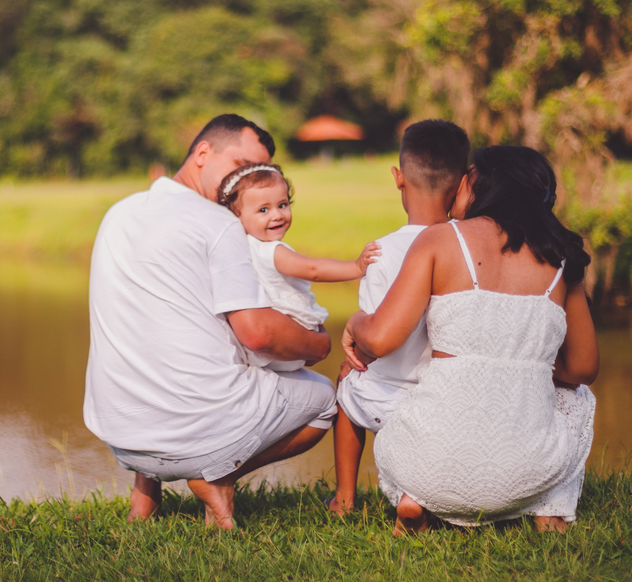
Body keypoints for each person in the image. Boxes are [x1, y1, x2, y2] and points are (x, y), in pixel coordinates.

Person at [83, 114, 336, 529]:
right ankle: (219, 475)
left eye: (256, 173)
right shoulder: (219, 225)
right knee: (326, 401)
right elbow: (258, 334)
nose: (245, 181)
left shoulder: (120, 212)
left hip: (120, 433)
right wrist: (319, 344)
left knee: (164, 342)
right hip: (191, 431)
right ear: (203, 153)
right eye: (240, 165)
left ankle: (145, 491)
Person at [341, 145, 599, 535]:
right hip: (527, 473)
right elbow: (582, 368)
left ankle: (418, 498)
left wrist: (357, 321)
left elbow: (379, 339)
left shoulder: (440, 239)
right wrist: (529, 361)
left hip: (428, 466)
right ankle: (547, 506)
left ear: (477, 181)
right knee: (576, 398)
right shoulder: (561, 255)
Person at [327, 119, 471, 515]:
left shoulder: (383, 252)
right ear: (462, 184)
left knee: (346, 385)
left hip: (389, 400)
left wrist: (354, 340)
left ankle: (344, 497)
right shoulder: (469, 249)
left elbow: (373, 341)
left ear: (398, 178)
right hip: (449, 401)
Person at [215, 163, 380, 372]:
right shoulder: (272, 250)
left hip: (265, 353)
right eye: (263, 210)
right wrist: (356, 268)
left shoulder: (243, 247)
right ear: (237, 216)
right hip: (292, 336)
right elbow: (313, 269)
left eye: (282, 205)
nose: (276, 215)